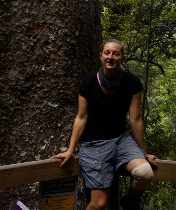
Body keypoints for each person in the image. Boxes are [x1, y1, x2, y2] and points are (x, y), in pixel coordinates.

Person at [51, 39, 157, 210]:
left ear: (123, 58)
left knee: (144, 173)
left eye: (116, 53)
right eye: (107, 53)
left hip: (121, 139)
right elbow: (81, 117)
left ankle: (130, 202)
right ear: (101, 56)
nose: (111, 57)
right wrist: (70, 150)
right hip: (94, 144)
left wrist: (144, 152)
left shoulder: (132, 83)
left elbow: (135, 119)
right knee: (99, 204)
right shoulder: (89, 83)